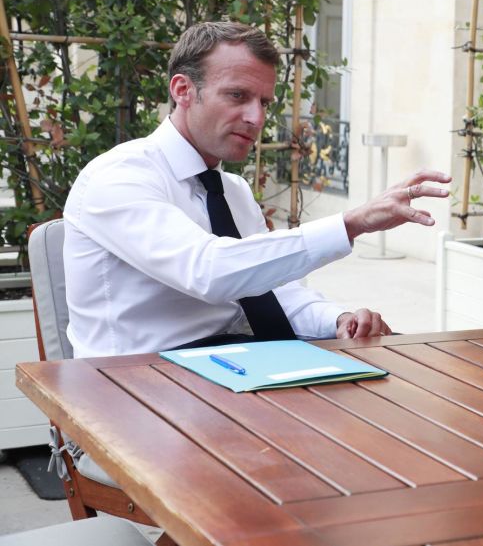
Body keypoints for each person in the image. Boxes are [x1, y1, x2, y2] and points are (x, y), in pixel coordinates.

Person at [63, 21, 451, 357]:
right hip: (130, 392)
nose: (256, 118)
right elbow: (209, 272)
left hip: (234, 371)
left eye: (264, 102)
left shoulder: (231, 190)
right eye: (237, 96)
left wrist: (338, 319)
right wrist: (351, 223)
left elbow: (272, 292)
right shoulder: (117, 177)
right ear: (183, 90)